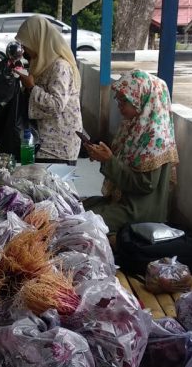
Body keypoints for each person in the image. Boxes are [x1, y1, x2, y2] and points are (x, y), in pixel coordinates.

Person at [83, 70, 179, 233]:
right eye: (118, 100)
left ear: (142, 99)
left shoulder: (156, 137)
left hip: (140, 211)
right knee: (77, 206)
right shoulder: (134, 127)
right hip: (123, 201)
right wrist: (103, 157)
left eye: (124, 101)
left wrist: (109, 160)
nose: (119, 106)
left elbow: (144, 185)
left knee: (82, 221)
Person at [15, 15, 83, 162]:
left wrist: (31, 87)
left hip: (59, 145)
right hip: (44, 139)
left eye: (25, 44)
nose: (23, 50)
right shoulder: (41, 63)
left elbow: (56, 104)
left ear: (37, 41)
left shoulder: (60, 66)